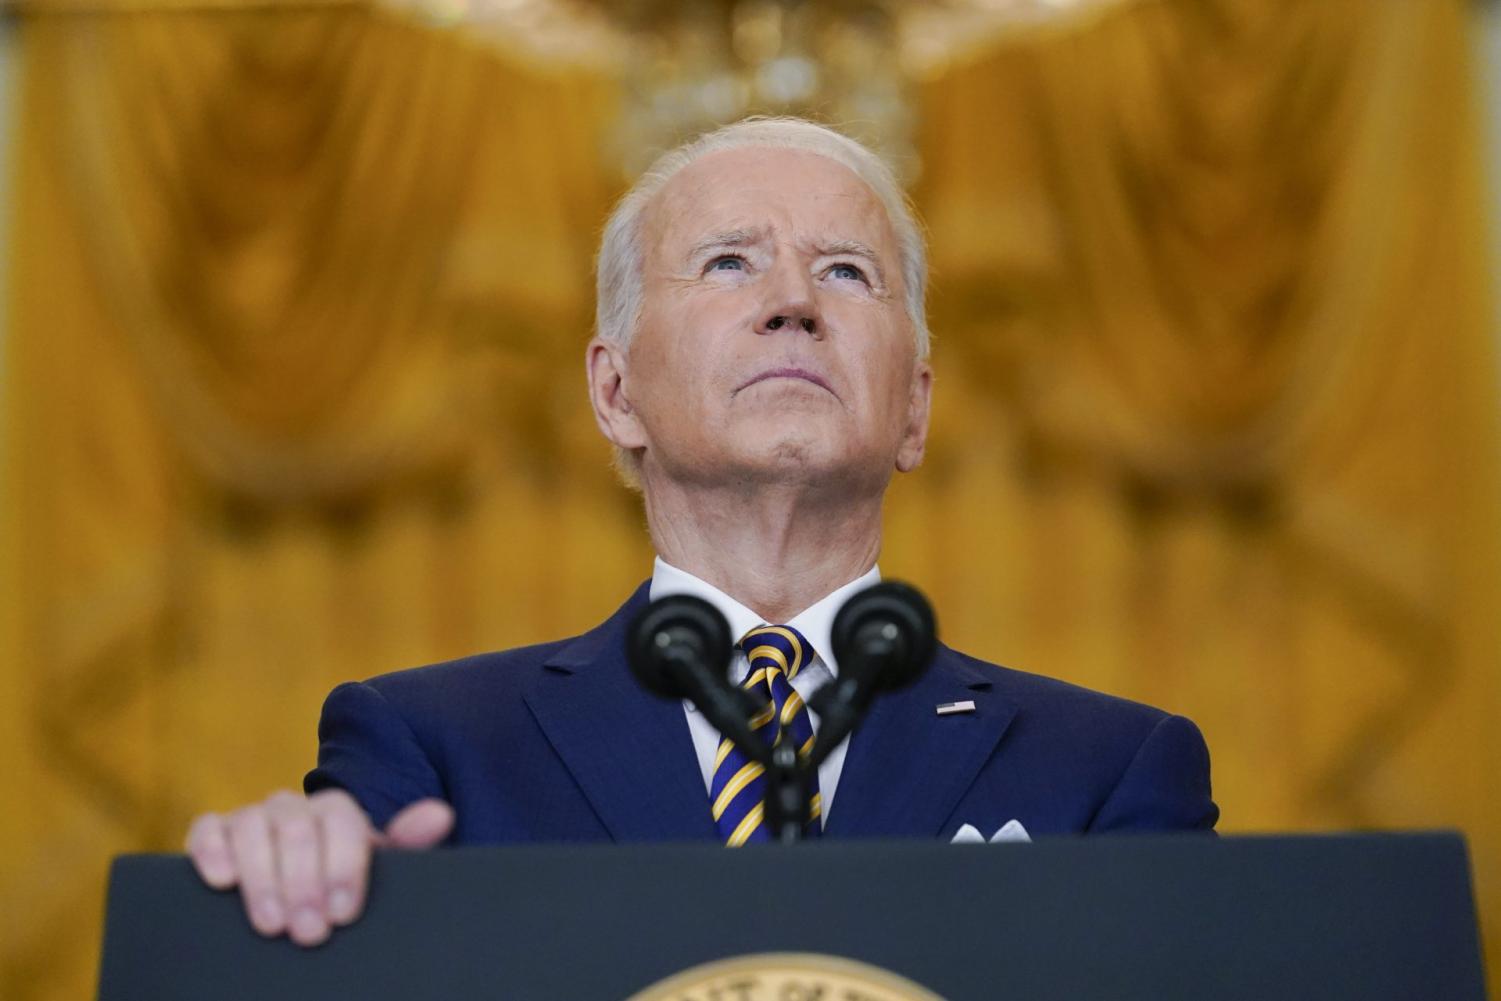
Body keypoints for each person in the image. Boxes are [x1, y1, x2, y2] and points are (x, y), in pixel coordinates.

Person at [186, 117, 1218, 947]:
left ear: (914, 408)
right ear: (614, 389)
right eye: (728, 263)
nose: (793, 303)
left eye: (848, 272)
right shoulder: (431, 748)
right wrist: (286, 884)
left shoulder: (1110, 769)